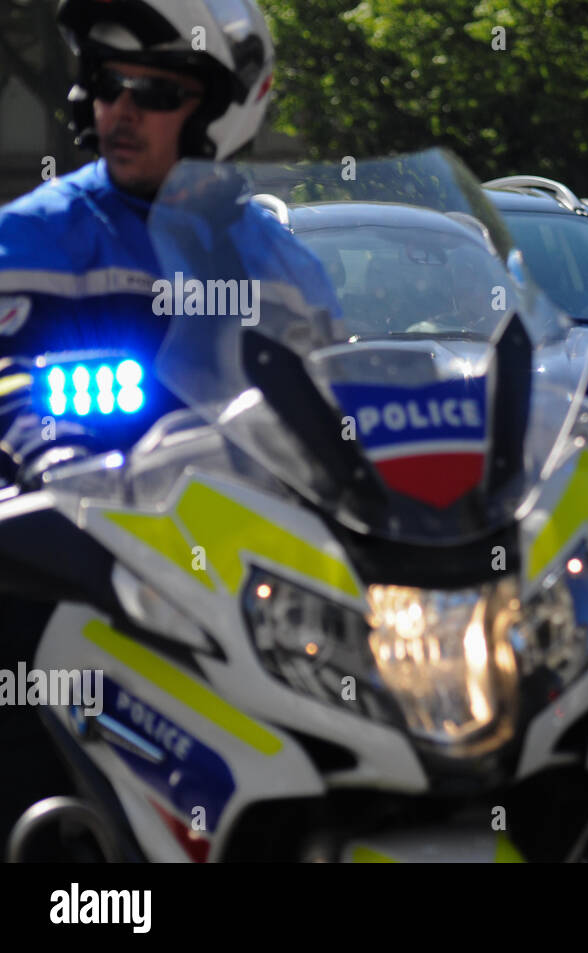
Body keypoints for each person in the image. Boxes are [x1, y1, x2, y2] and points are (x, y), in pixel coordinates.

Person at [0, 0, 331, 856]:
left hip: (240, 580)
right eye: (107, 84)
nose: (121, 109)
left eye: (153, 88)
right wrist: (51, 454)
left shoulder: (282, 263)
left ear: (221, 108)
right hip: (65, 568)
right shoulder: (33, 236)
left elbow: (328, 412)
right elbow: (6, 385)